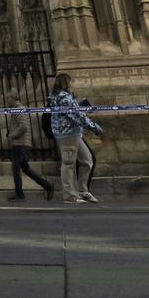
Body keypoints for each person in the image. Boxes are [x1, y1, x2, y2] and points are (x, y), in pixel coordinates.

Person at [48, 72, 101, 204]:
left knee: (87, 160)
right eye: (71, 82)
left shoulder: (63, 97)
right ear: (66, 83)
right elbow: (77, 116)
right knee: (68, 164)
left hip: (74, 133)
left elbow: (74, 113)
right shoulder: (64, 98)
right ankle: (70, 195)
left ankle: (82, 191)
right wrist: (94, 127)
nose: (72, 84)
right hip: (67, 134)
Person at [5, 93, 53, 202]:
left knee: (16, 169)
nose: (7, 101)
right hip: (22, 143)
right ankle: (47, 186)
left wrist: (12, 135)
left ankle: (20, 195)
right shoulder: (18, 109)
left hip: (20, 144)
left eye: (8, 98)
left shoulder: (18, 109)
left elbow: (24, 127)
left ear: (13, 98)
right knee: (26, 169)